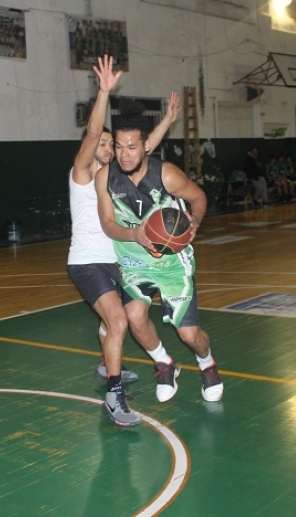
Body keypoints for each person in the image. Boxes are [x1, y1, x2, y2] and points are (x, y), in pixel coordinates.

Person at [66, 55, 178, 426]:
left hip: (118, 259)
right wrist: (104, 93)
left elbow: (144, 149)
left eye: (113, 145)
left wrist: (167, 121)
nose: (109, 148)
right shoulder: (83, 172)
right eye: (105, 142)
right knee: (117, 320)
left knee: (114, 319)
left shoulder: (114, 176)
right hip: (87, 261)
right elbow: (93, 131)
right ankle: (114, 396)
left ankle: (105, 365)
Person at [96, 100, 224, 404]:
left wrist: (196, 221)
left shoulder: (166, 175)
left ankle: (207, 364)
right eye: (119, 147)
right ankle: (164, 363)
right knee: (133, 314)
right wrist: (135, 236)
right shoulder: (106, 178)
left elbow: (199, 197)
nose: (124, 154)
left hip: (172, 265)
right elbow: (107, 224)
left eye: (132, 147)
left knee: (190, 336)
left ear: (146, 147)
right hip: (134, 263)